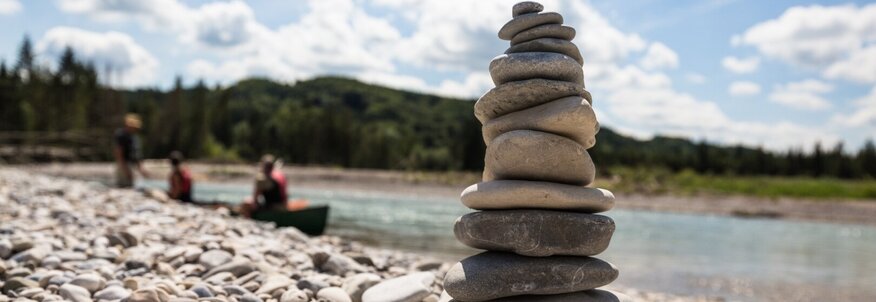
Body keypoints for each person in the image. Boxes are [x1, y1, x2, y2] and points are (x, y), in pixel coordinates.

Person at [113, 113, 149, 188]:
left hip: (131, 164)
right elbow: (119, 152)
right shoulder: (121, 135)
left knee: (131, 184)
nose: (134, 129)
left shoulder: (134, 137)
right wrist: (125, 168)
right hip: (124, 164)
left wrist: (141, 169)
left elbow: (136, 155)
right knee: (123, 185)